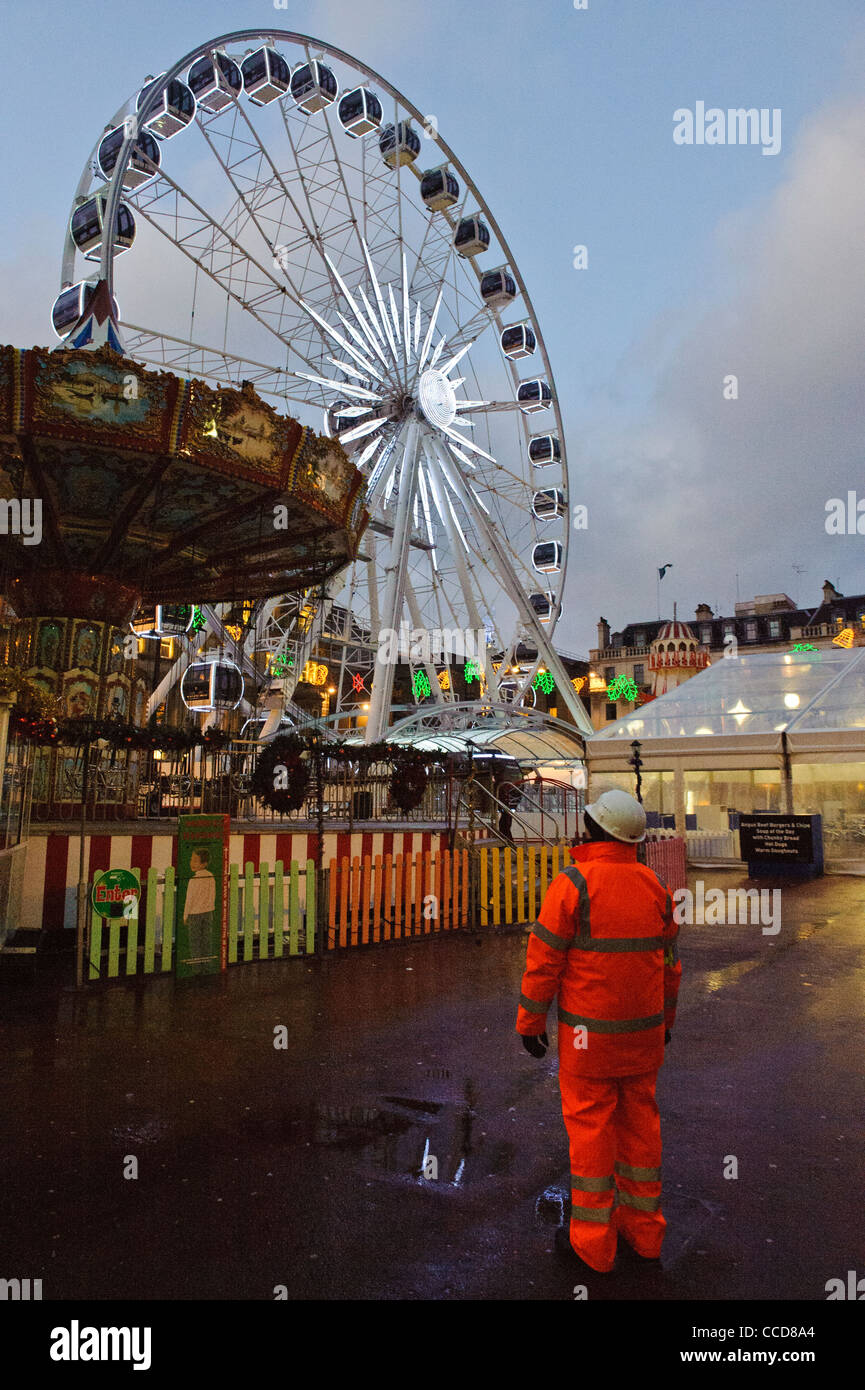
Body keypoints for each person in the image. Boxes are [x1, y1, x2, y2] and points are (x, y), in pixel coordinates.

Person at [516, 788, 681, 1275]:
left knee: (591, 1134)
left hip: (589, 1045)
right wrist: (665, 1025)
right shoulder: (655, 885)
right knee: (641, 1136)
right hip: (644, 1041)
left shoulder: (574, 884)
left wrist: (530, 1022)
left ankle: (593, 1245)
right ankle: (645, 1234)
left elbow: (544, 961)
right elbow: (670, 968)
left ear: (593, 829)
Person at [183, 846, 217, 969]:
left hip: (194, 914)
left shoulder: (193, 880)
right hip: (208, 913)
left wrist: (185, 915)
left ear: (204, 864)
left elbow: (189, 900)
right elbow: (213, 895)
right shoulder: (211, 876)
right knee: (206, 939)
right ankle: (207, 964)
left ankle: (196, 966)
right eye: (192, 860)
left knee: (195, 941)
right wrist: (210, 908)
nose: (192, 863)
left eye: (195, 861)